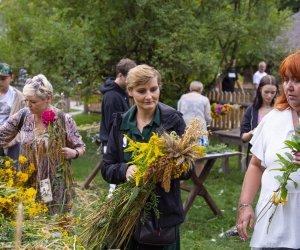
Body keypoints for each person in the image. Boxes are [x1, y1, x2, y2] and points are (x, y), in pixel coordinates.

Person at [101, 64, 187, 249]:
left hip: (163, 216)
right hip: (128, 215)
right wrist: (125, 170)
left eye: (153, 89)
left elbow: (188, 169)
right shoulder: (121, 123)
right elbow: (107, 168)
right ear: (130, 91)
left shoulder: (173, 121)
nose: (149, 96)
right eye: (142, 91)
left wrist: (164, 169)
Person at [236, 50, 300, 249]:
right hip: (272, 220)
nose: (289, 86)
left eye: (297, 80)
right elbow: (255, 165)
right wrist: (245, 205)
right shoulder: (273, 119)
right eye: (286, 79)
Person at [0, 74, 85, 214]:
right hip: (27, 182)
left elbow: (80, 146)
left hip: (53, 184)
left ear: (48, 98)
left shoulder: (63, 119)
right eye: (26, 100)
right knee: (29, 223)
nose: (28, 105)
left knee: (53, 221)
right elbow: (2, 136)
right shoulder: (23, 116)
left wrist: (74, 153)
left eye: (33, 101)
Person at [99, 58, 136, 196]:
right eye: (129, 78)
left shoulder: (122, 93)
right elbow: (112, 125)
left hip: (122, 143)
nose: (131, 83)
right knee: (115, 187)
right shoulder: (111, 96)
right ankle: (111, 214)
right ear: (120, 75)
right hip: (113, 144)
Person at [240, 74, 279, 165]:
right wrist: (253, 132)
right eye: (266, 92)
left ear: (276, 92)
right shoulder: (251, 110)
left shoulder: (280, 110)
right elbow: (243, 137)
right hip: (255, 156)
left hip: (275, 156)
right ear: (260, 89)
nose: (269, 96)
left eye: (273, 92)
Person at [177, 80, 211, 175]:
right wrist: (208, 123)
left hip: (185, 128)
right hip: (200, 129)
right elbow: (207, 116)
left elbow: (178, 112)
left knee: (183, 154)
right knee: (200, 156)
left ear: (190, 88)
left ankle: (182, 176)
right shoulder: (204, 99)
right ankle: (199, 177)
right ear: (201, 89)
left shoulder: (183, 97)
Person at [0, 62, 26, 160]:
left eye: (3, 79)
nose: (0, 82)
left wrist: (14, 140)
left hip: (12, 141)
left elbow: (24, 123)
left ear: (11, 78)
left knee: (12, 171)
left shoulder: (19, 97)